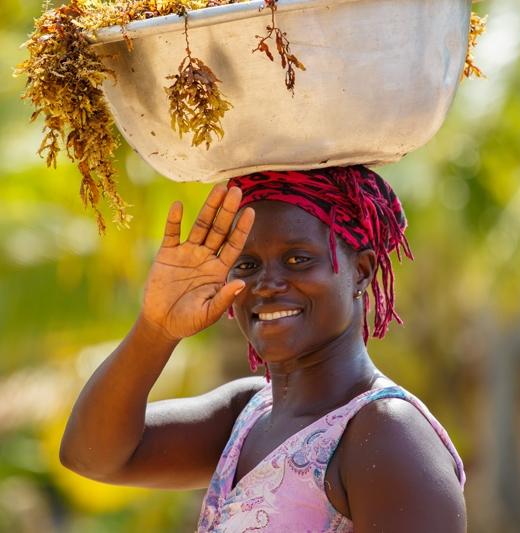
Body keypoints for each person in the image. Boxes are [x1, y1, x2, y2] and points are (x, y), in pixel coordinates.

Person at [59, 166, 467, 532]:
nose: (267, 284)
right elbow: (90, 456)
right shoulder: (247, 414)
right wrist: (156, 328)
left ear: (361, 272)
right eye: (247, 265)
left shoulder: (386, 433)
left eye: (297, 259)